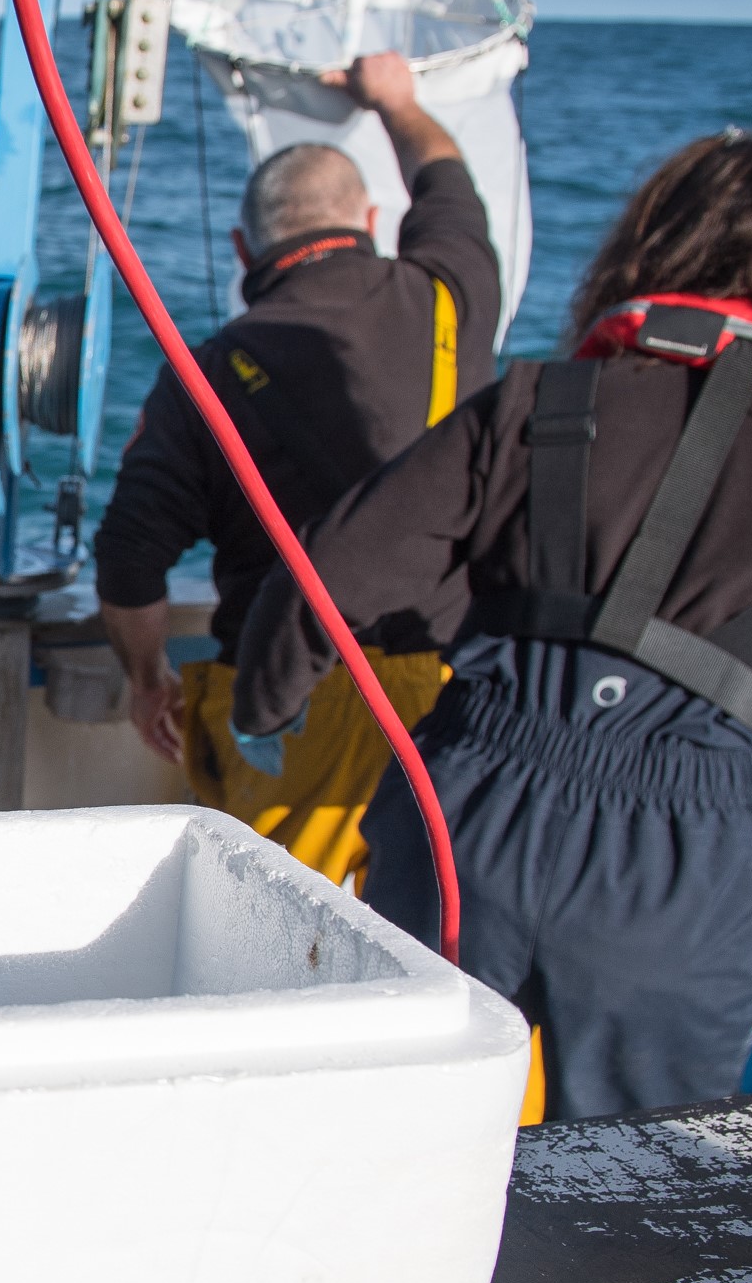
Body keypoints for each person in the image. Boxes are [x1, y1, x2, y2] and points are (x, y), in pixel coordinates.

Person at [232, 132, 752, 1123]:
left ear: (649, 246)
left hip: (464, 812)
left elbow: (333, 573)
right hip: (682, 862)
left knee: (404, 1133)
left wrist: (261, 710)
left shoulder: (535, 403)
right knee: (645, 1185)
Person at [92, 51, 499, 883]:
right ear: (374, 222)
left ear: (246, 247)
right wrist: (395, 100)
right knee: (449, 955)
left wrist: (147, 677)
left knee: (298, 974)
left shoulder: (202, 373)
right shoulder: (450, 292)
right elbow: (449, 187)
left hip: (288, 705)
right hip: (456, 702)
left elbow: (130, 554)